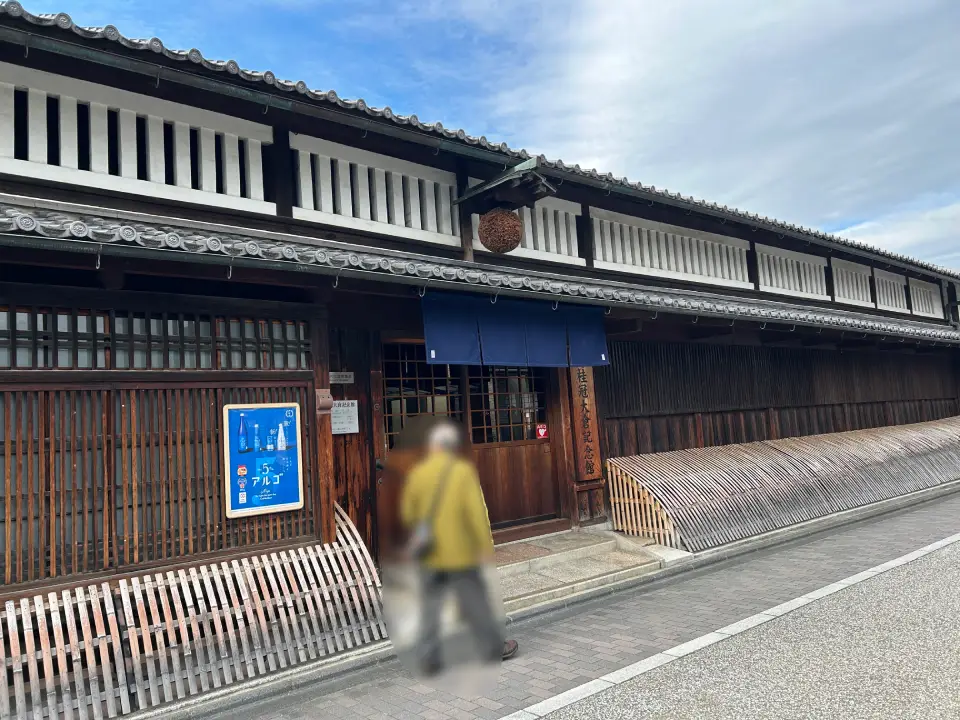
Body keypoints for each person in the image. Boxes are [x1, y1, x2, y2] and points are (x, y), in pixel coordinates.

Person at [401, 420, 516, 674]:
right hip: (459, 554)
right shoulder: (463, 473)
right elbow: (477, 514)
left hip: (430, 554)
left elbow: (409, 514)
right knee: (476, 603)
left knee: (430, 607)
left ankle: (428, 658)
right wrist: (485, 546)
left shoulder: (418, 473)